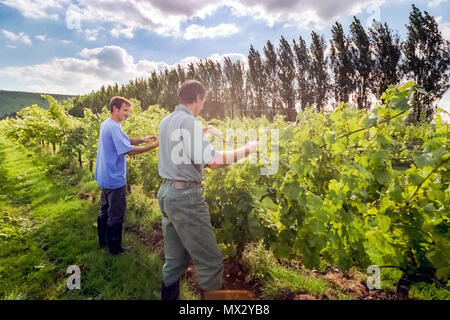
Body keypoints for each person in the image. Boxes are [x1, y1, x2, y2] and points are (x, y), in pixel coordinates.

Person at [157, 80, 258, 300]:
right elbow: (214, 161)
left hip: (166, 193)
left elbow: (182, 142)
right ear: (199, 97)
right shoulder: (189, 122)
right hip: (185, 198)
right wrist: (249, 148)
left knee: (174, 261)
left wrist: (203, 131)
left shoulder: (167, 121)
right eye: (204, 100)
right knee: (210, 264)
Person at [94, 96, 159, 255]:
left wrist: (142, 140)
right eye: (125, 110)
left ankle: (103, 243)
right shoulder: (114, 127)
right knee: (115, 215)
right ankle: (115, 249)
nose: (127, 114)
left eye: (128, 111)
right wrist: (153, 146)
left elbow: (124, 140)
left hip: (105, 175)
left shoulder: (107, 124)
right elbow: (128, 150)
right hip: (115, 178)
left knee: (104, 211)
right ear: (115, 108)